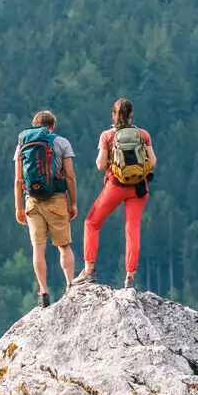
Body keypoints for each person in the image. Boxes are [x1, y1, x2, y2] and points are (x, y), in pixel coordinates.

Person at [77, 98, 156, 288]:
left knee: (92, 222)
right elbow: (152, 161)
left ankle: (89, 270)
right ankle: (130, 276)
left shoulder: (107, 136)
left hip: (115, 185)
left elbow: (100, 165)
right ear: (131, 115)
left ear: (113, 114)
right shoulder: (143, 134)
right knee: (132, 228)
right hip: (138, 188)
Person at [14, 110, 79, 308]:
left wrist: (19, 207)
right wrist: (73, 202)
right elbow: (69, 175)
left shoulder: (22, 145)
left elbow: (18, 180)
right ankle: (70, 286)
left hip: (32, 201)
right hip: (56, 199)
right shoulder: (61, 142)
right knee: (64, 245)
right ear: (52, 126)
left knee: (38, 249)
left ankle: (43, 292)